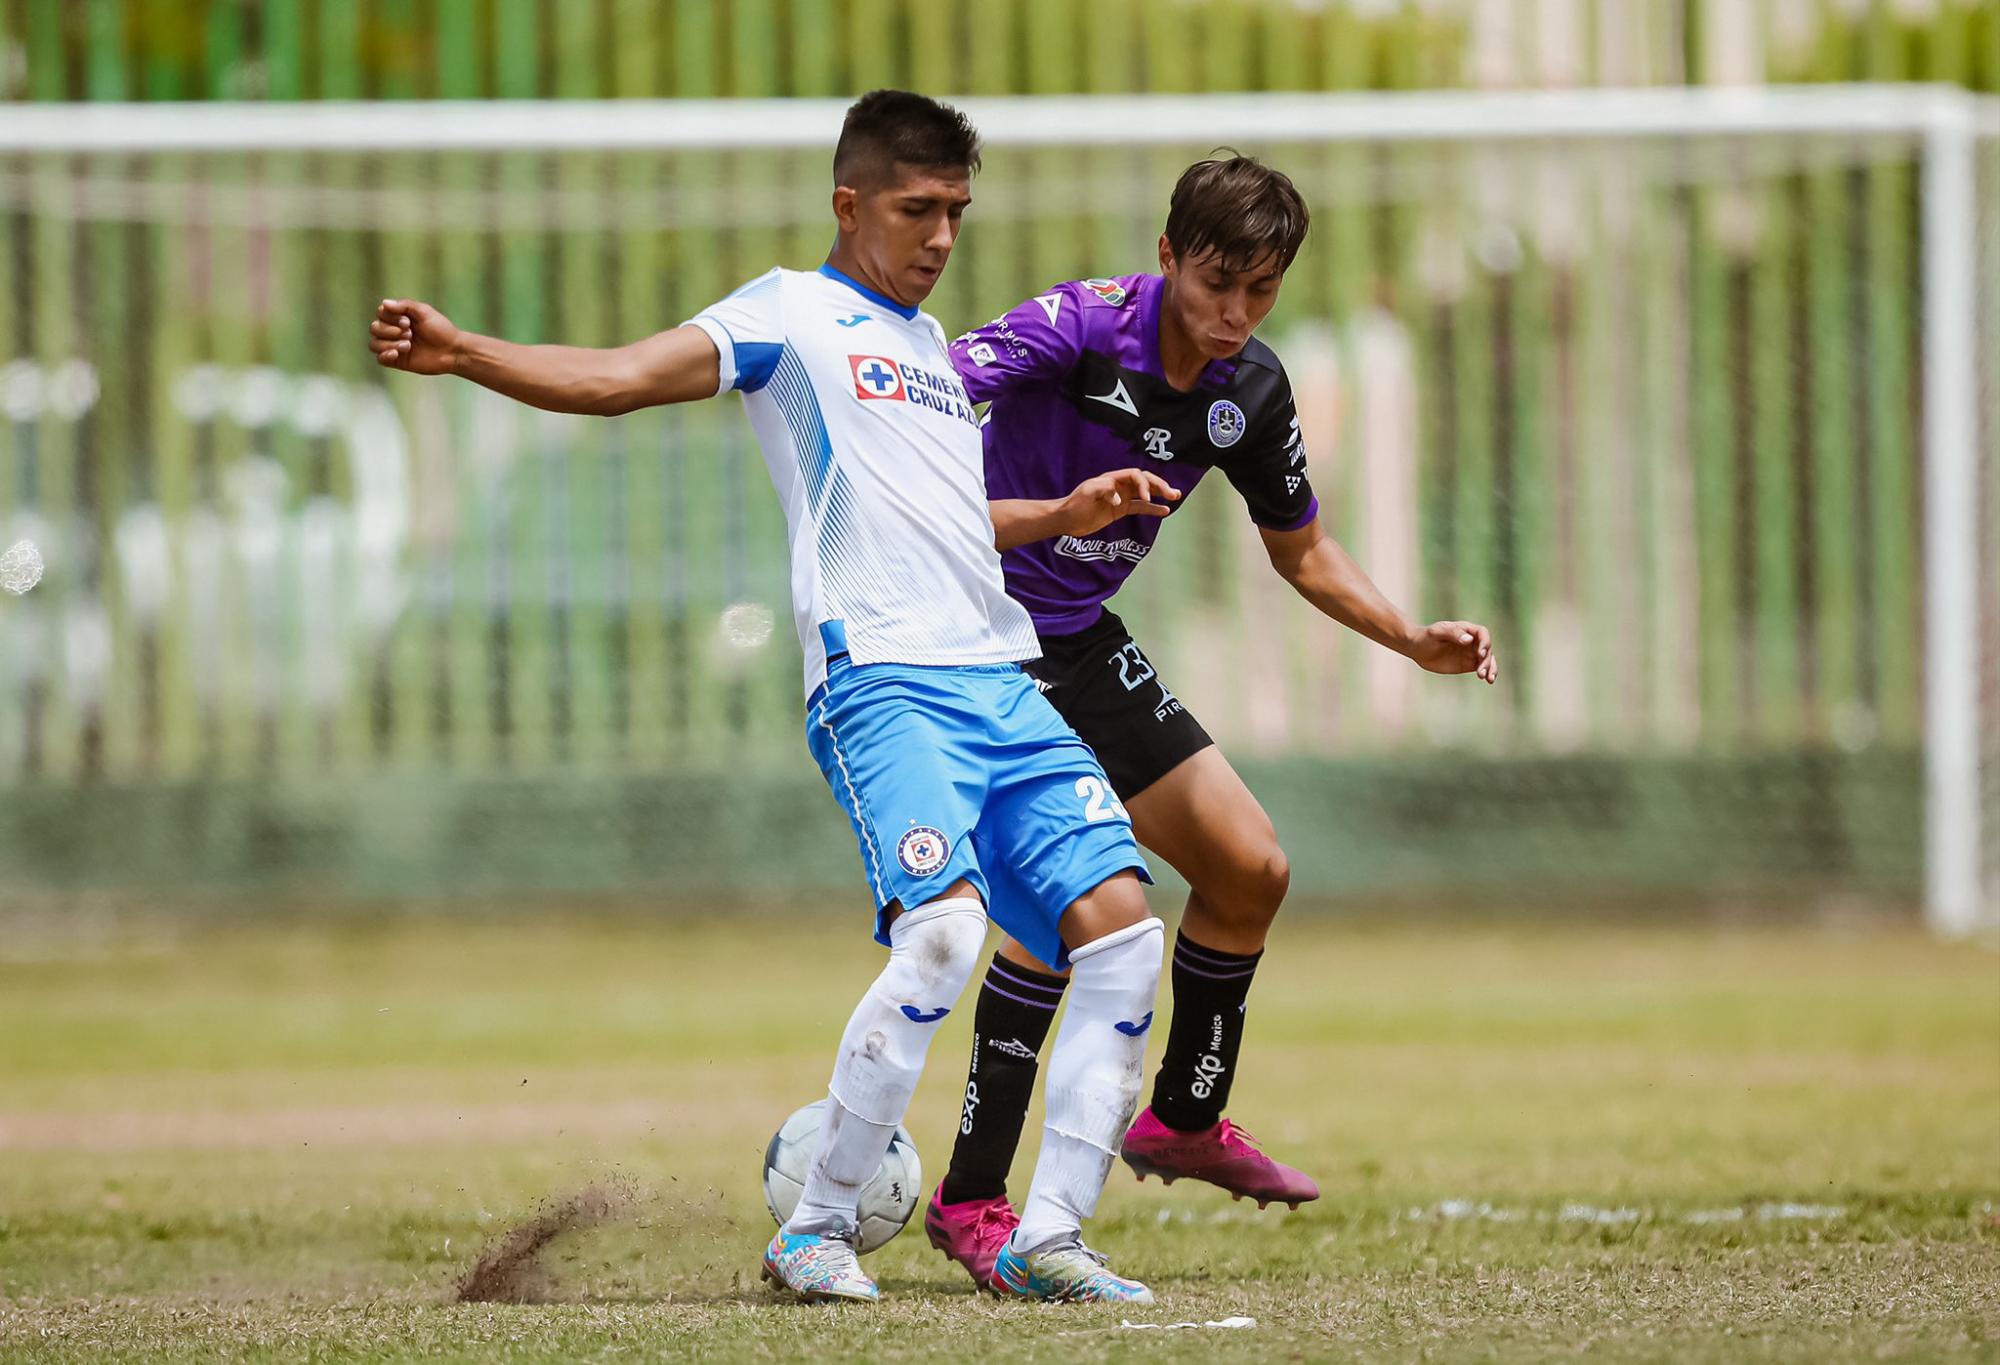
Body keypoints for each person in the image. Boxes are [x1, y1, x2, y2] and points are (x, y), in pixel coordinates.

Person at [367, 90, 1177, 1307]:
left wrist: (1060, 517)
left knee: (1122, 932)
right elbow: (619, 378)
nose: (941, 234)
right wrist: (464, 351)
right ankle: (814, 1228)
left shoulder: (929, 352)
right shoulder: (785, 315)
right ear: (849, 204)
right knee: (946, 933)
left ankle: (1049, 1237)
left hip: (999, 680)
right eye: (917, 208)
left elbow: (952, 523)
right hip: (884, 682)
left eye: (957, 209)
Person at [922, 155, 1499, 1289]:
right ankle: (969, 1199)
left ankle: (1181, 1119)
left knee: (1247, 868)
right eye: (1214, 283)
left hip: (1077, 641)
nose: (1233, 313)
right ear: (1166, 257)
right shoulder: (1071, 332)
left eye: (1260, 290)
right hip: (968, 638)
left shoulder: (1250, 389)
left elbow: (1303, 551)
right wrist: (1034, 514)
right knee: (1076, 908)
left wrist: (1407, 640)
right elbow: (911, 420)